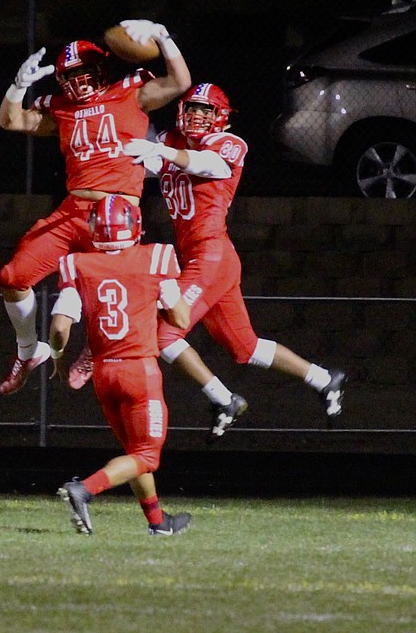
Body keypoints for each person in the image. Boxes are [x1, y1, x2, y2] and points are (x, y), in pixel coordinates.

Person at [120, 83, 347, 436]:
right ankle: (323, 378)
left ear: (220, 117)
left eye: (205, 110)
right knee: (246, 348)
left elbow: (210, 165)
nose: (196, 115)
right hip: (202, 257)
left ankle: (222, 397)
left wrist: (159, 150)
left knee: (162, 333)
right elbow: (139, 160)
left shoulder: (229, 143)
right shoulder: (170, 142)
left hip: (210, 256)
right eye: (192, 108)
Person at [0, 19, 192, 396]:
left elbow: (179, 82)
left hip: (119, 217)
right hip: (73, 212)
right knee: (11, 278)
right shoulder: (62, 108)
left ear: (101, 68)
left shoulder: (131, 92)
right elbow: (10, 120)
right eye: (70, 74)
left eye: (84, 71)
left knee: (130, 297)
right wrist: (18, 87)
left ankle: (93, 349)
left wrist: (165, 38)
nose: (78, 81)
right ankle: (27, 350)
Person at [50, 195, 191, 535]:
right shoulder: (155, 258)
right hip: (139, 370)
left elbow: (58, 326)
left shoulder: (78, 265)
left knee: (134, 454)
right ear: (134, 225)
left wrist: (57, 357)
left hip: (104, 374)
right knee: (147, 456)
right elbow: (182, 316)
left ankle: (158, 524)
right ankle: (83, 490)